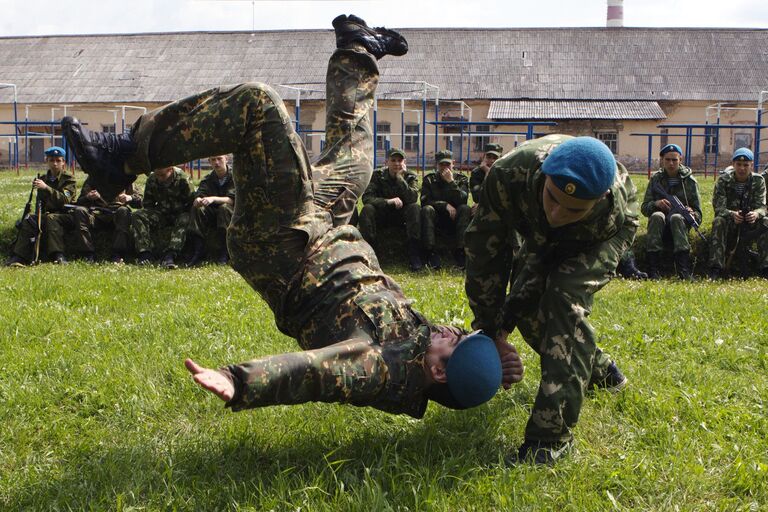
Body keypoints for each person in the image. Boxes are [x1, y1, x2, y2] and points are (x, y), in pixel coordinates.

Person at [61, 14, 522, 418]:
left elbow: (316, 372)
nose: (450, 329)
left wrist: (241, 381)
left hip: (282, 247)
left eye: (455, 340)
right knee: (358, 156)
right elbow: (470, 356)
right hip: (326, 224)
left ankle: (121, 158)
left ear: (438, 370)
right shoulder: (432, 352)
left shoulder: (385, 369)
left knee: (259, 106)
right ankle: (355, 51)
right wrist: (493, 344)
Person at [465, 135, 638, 464]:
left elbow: (549, 266)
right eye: (552, 198)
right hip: (537, 227)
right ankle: (602, 371)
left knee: (562, 299)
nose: (558, 212)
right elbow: (484, 255)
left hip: (600, 236)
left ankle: (551, 440)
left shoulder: (607, 211)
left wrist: (514, 308)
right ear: (543, 175)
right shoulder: (507, 176)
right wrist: (492, 332)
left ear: (597, 199)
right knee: (527, 304)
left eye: (572, 208)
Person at [640, 144, 702, 279]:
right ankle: (653, 269)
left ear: (681, 160)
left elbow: (699, 214)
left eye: (674, 160)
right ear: (662, 160)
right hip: (659, 226)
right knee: (657, 215)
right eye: (667, 160)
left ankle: (683, 270)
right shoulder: (656, 179)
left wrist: (691, 213)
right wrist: (656, 204)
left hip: (680, 226)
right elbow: (644, 208)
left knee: (676, 218)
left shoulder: (690, 182)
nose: (671, 163)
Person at [6, 146, 76, 266]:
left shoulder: (69, 179)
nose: (55, 164)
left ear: (63, 162)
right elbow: (40, 203)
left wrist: (46, 188)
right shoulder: (43, 179)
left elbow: (65, 200)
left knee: (51, 218)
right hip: (46, 215)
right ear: (47, 161)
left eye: (58, 160)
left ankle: (58, 255)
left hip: (66, 215)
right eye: (51, 160)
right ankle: (19, 257)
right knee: (29, 220)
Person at [707, 148, 768, 279]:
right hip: (731, 220)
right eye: (739, 165)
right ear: (733, 164)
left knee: (765, 222)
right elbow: (718, 207)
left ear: (751, 165)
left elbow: (762, 207)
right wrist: (732, 214)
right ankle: (716, 268)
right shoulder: (724, 180)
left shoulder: (758, 181)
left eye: (746, 165)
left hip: (750, 221)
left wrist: (756, 214)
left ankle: (765, 267)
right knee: (718, 221)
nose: (742, 168)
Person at [358, 147, 422, 270]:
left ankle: (414, 253)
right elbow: (367, 198)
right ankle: (371, 253)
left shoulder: (410, 176)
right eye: (393, 160)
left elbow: (412, 198)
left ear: (404, 163)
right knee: (367, 209)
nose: (397, 163)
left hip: (402, 216)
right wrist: (388, 201)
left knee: (414, 208)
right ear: (386, 162)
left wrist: (400, 178)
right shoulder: (377, 175)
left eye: (400, 160)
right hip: (383, 214)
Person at [68, 172, 143, 263]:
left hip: (117, 214)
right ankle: (87, 254)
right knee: (80, 211)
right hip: (96, 215)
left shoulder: (125, 177)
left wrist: (130, 198)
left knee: (124, 211)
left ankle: (118, 254)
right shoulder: (94, 177)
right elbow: (80, 201)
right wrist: (88, 197)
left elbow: (140, 201)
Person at [131, 165, 193, 268]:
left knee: (186, 217)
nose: (160, 178)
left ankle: (171, 254)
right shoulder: (152, 179)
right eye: (157, 175)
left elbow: (190, 203)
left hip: (179, 214)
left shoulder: (183, 179)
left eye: (163, 175)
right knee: (137, 215)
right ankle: (145, 253)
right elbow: (148, 204)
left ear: (170, 169)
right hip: (161, 214)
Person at [420, 149, 471, 269]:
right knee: (427, 209)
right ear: (436, 165)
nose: (444, 167)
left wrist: (451, 182)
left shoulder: (461, 179)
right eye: (441, 164)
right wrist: (444, 205)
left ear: (453, 163)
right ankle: (430, 251)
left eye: (447, 164)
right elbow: (425, 201)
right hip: (436, 217)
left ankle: (461, 251)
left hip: (455, 218)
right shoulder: (430, 179)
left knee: (465, 208)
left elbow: (463, 199)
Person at [187, 154, 235, 266]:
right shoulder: (208, 179)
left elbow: (232, 199)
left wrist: (213, 198)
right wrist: (198, 199)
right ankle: (198, 250)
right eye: (213, 160)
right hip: (213, 213)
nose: (216, 162)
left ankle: (224, 253)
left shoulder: (234, 177)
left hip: (231, 213)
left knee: (224, 208)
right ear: (209, 162)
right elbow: (200, 194)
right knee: (198, 209)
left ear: (226, 159)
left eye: (219, 159)